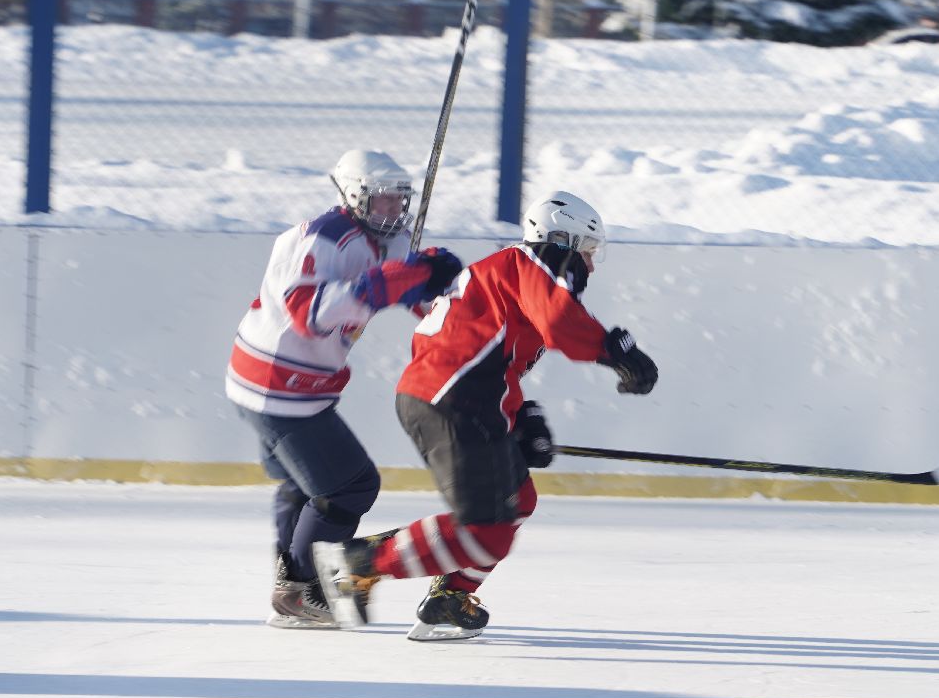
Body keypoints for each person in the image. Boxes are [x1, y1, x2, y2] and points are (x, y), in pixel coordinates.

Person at [314, 190, 658, 641]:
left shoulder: (509, 272)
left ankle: (449, 599)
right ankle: (358, 563)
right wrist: (616, 352)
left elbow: (485, 355)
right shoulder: (535, 262)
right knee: (487, 530)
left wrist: (519, 418)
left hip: (455, 398)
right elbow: (558, 324)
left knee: (517, 499)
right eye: (588, 251)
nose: (591, 265)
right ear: (562, 241)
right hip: (453, 402)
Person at [226, 149, 463, 629]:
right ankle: (300, 591)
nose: (394, 210)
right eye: (382, 200)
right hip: (277, 385)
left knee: (304, 484)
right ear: (354, 196)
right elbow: (308, 314)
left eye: (400, 200)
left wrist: (446, 288)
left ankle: (291, 588)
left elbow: (420, 300)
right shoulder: (320, 238)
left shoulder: (391, 243)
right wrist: (393, 280)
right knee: (350, 486)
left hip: (289, 386)